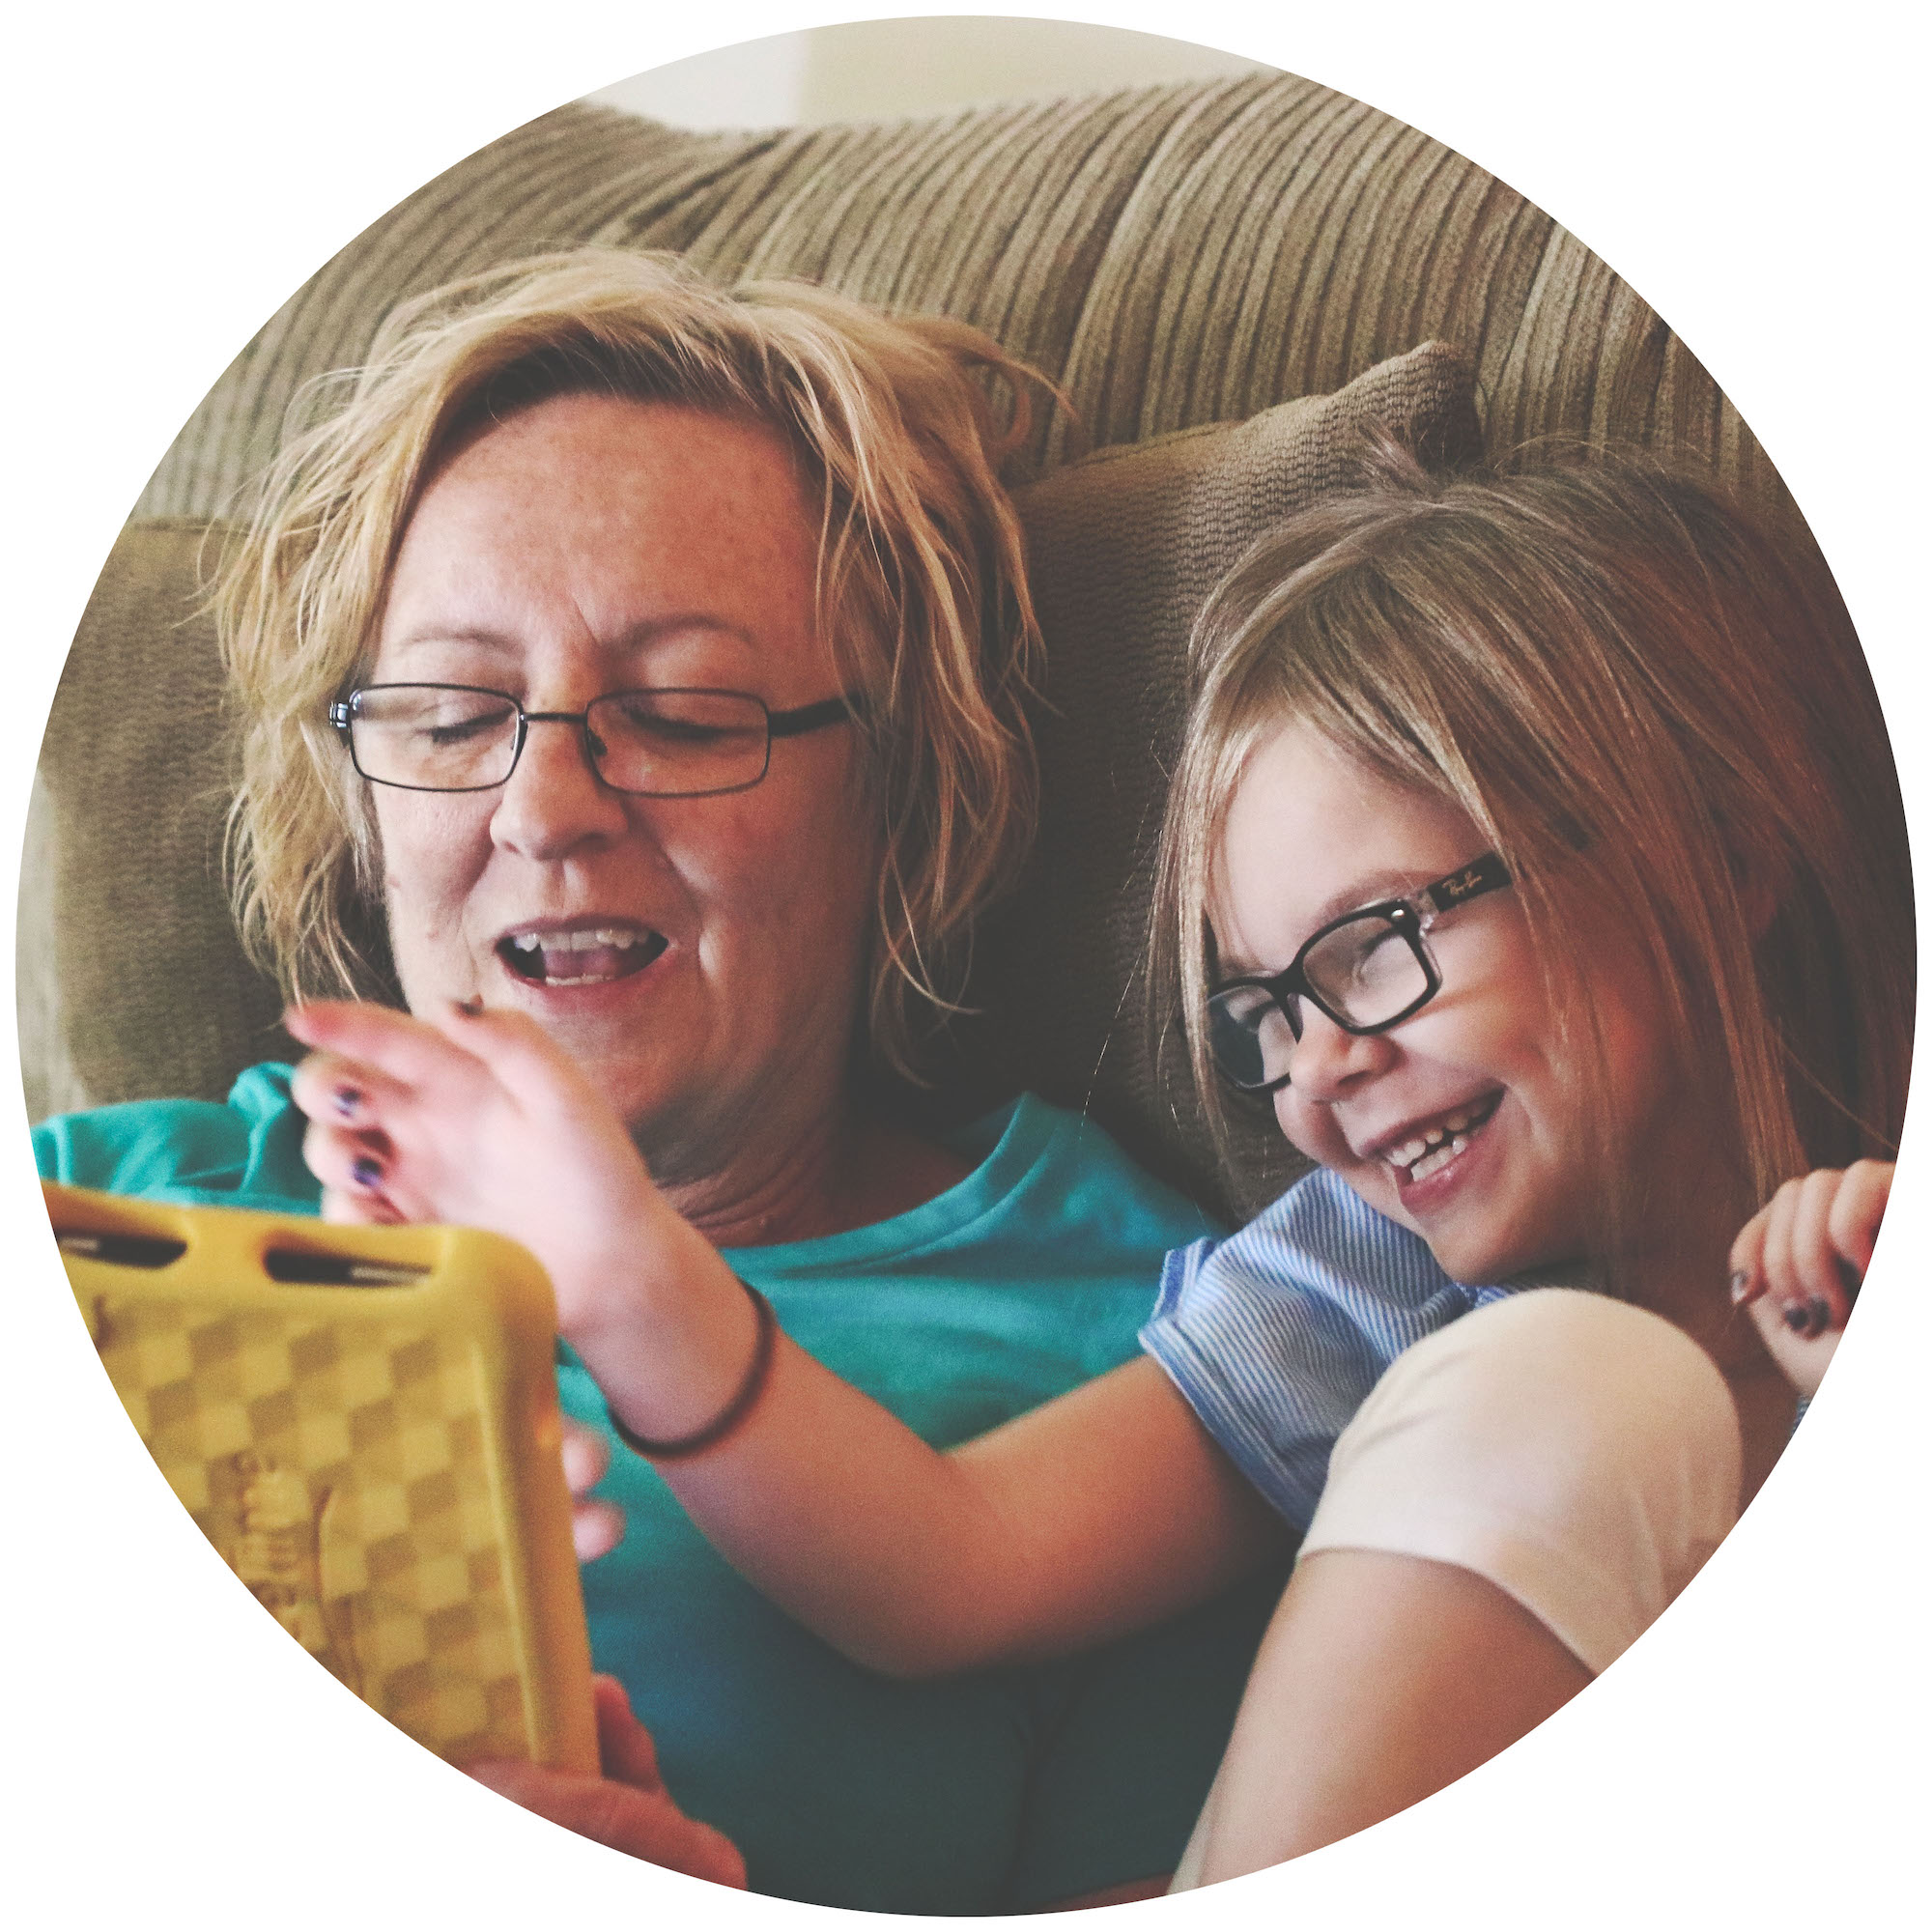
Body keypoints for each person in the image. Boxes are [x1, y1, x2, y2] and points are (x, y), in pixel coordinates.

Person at [270, 440, 1906, 1885]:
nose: (1318, 1070)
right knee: (1572, 1375)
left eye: (1375, 946)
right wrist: (629, 1278)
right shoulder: (1353, 1281)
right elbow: (950, 1566)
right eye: (1263, 1007)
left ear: (1719, 853)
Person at [36, 245, 1311, 1913]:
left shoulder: (1149, 1370)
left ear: (904, 790)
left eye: (689, 713)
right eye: (448, 711)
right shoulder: (109, 1216)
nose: (546, 809)